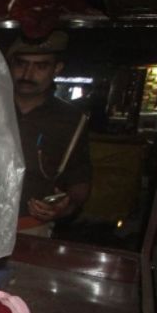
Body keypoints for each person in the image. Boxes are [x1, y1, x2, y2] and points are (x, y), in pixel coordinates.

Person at [9, 30, 92, 237]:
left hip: (29, 227)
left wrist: (64, 206)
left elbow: (80, 179)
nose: (27, 75)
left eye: (40, 66)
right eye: (21, 64)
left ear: (57, 69)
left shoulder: (72, 120)